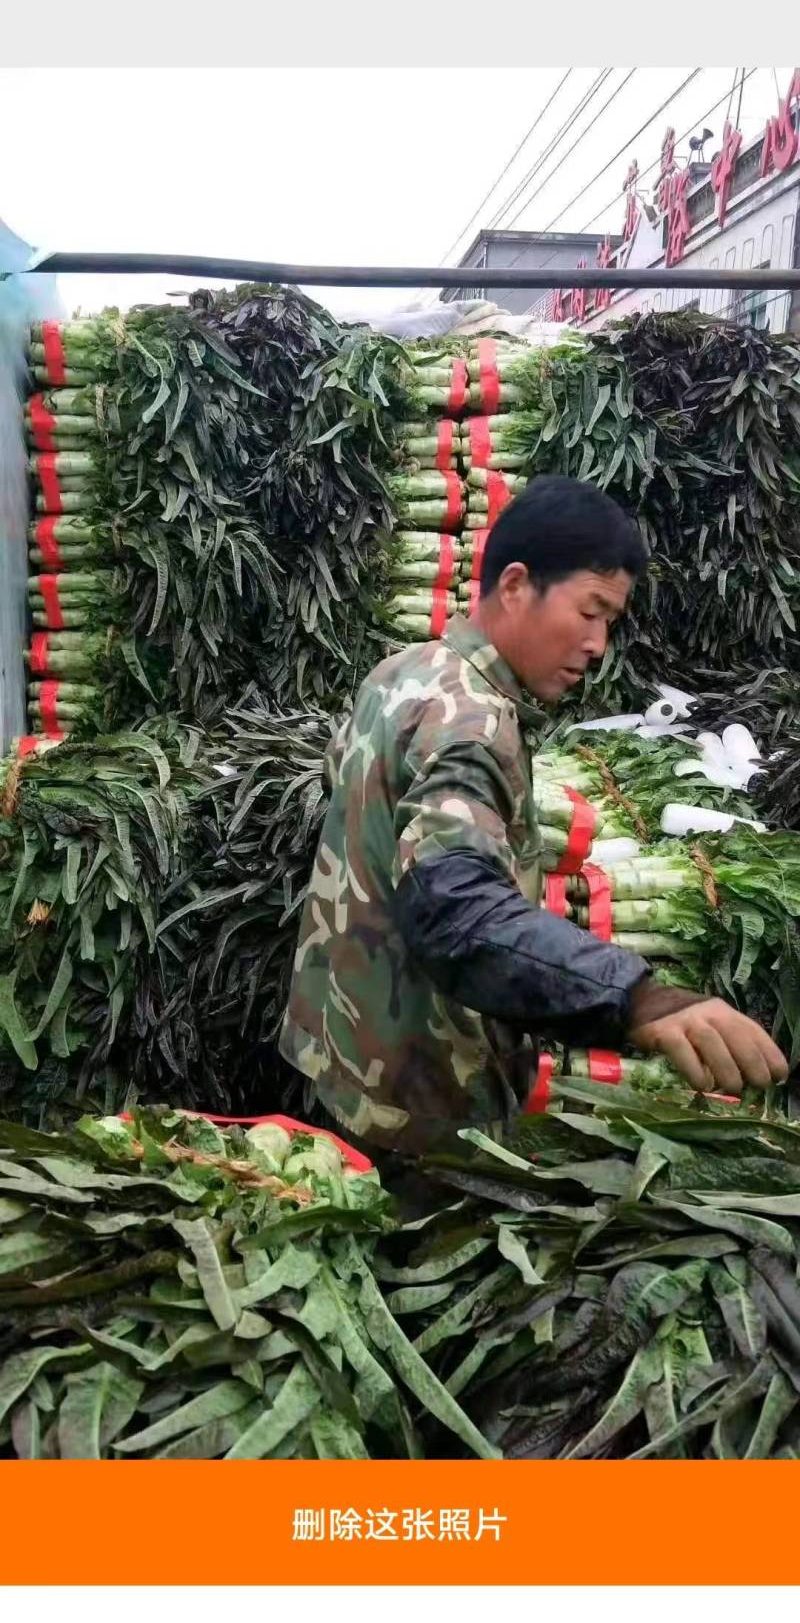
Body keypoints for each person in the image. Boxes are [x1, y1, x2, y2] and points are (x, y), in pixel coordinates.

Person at [280, 475, 787, 1163]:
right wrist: (638, 1000)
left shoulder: (406, 669)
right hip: (417, 1098)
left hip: (342, 1050)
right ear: (516, 585)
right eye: (590, 611)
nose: (599, 644)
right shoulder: (473, 721)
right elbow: (457, 911)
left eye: (610, 621)